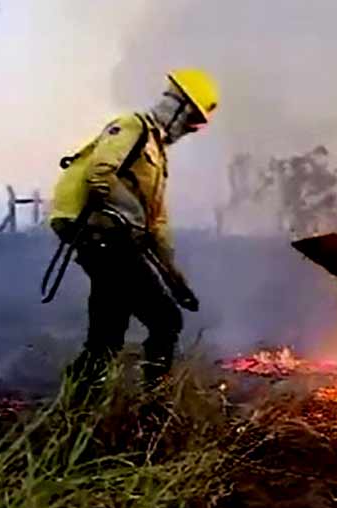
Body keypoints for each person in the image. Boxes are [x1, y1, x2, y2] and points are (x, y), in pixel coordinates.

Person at [47, 68, 219, 393]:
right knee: (166, 320)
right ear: (179, 106)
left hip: (112, 243)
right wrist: (133, 217)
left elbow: (156, 227)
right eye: (192, 120)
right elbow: (100, 173)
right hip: (102, 238)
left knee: (108, 334)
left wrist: (176, 281)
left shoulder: (156, 156)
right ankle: (154, 404)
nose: (190, 130)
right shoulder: (132, 127)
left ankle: (77, 402)